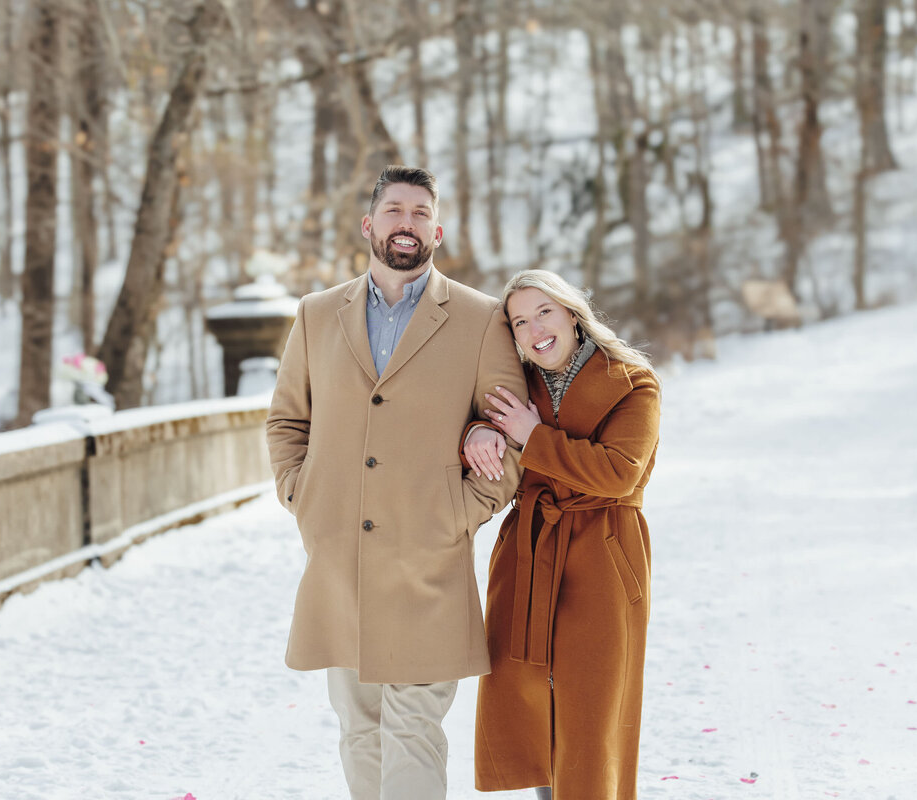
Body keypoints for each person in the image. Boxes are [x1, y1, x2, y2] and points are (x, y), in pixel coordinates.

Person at [266, 165, 527, 800]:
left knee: (413, 726)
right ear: (369, 224)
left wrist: (460, 515)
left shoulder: (480, 318)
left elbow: (514, 436)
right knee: (360, 726)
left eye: (418, 213)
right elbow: (286, 419)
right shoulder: (318, 314)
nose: (405, 224)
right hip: (340, 560)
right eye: (393, 211)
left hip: (427, 559)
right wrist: (303, 497)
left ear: (436, 229)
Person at [462, 269, 661, 800]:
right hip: (531, 548)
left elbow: (620, 472)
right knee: (531, 702)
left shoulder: (632, 381)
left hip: (602, 550)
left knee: (591, 709)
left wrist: (534, 437)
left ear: (572, 312)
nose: (534, 329)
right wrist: (479, 430)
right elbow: (474, 419)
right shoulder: (516, 380)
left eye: (544, 312)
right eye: (520, 321)